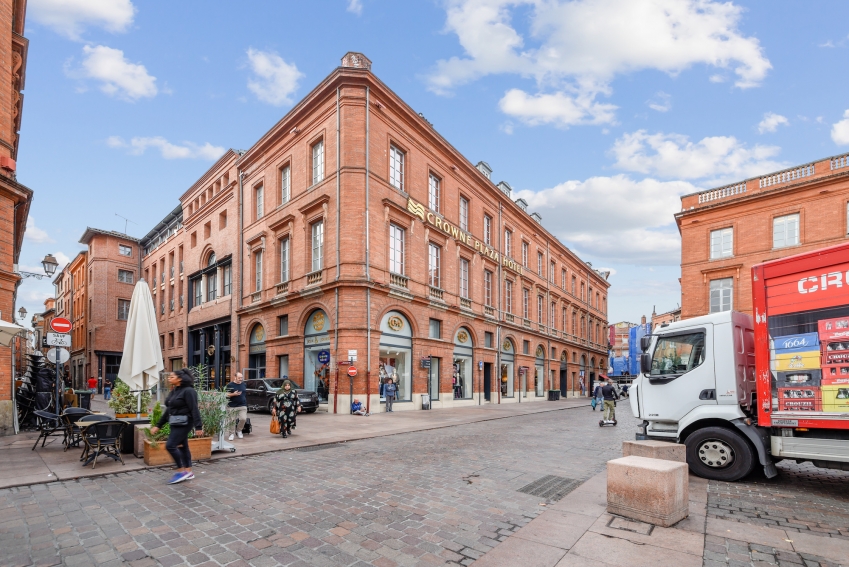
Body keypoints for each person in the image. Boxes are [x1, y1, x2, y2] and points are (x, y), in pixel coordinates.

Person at [149, 369, 203, 484]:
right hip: (175, 422)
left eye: (172, 377)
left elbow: (194, 409)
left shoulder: (189, 391)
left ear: (180, 379)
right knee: (183, 447)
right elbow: (169, 409)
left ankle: (181, 471)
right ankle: (189, 471)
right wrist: (158, 425)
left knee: (170, 445)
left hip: (185, 422)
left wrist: (199, 427)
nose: (169, 378)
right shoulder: (175, 390)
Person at [224, 372, 247, 441]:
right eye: (239, 378)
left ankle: (239, 430)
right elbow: (225, 394)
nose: (240, 379)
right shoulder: (230, 385)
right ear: (235, 377)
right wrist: (233, 394)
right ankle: (231, 434)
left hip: (242, 405)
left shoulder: (244, 384)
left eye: (241, 378)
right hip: (232, 406)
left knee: (243, 419)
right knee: (232, 421)